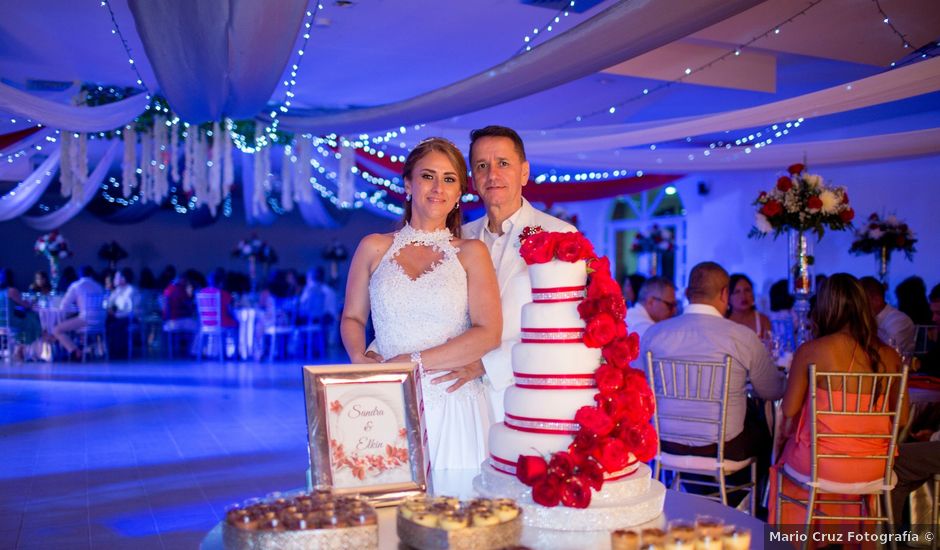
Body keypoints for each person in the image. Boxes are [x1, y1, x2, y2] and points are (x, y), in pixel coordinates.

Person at [342, 137, 501, 472]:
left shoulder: (471, 252)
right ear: (408, 183)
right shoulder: (373, 247)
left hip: (453, 400)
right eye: (428, 176)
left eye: (449, 179)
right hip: (387, 397)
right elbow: (353, 317)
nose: (437, 188)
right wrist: (358, 357)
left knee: (455, 514)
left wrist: (412, 363)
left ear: (459, 193)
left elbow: (488, 333)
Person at [769, 274, 909, 524]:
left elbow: (789, 409)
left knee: (781, 455)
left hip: (821, 466)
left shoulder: (812, 351)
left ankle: (800, 539)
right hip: (875, 468)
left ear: (824, 307)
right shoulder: (890, 356)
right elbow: (903, 418)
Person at [460, 125, 576, 421]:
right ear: (473, 179)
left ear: (524, 172)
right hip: (463, 398)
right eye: (482, 166)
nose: (492, 175)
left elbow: (564, 325)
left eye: (503, 164)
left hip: (525, 394)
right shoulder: (461, 238)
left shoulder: (560, 235)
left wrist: (487, 365)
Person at [641, 262, 784, 484]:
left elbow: (640, 386)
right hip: (723, 448)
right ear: (725, 294)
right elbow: (773, 390)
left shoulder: (654, 334)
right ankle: (748, 507)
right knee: (765, 432)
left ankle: (696, 494)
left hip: (666, 443)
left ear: (688, 294)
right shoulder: (741, 336)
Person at [52, 266, 105, 360]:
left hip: (86, 319)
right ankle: (81, 349)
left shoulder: (76, 285)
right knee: (71, 322)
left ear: (79, 275)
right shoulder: (99, 286)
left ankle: (75, 351)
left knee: (57, 329)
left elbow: (64, 306)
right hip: (101, 321)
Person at [860, 276, 915, 355]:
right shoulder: (868, 320)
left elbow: (889, 354)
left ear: (877, 300)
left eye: (861, 301)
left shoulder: (899, 321)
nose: (857, 305)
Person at [625, 276, 678, 341]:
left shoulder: (629, 314)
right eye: (670, 305)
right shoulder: (646, 329)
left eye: (675, 305)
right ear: (651, 302)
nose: (674, 310)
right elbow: (652, 351)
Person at [0, 268, 42, 350]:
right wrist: (32, 302)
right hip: (9, 322)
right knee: (32, 318)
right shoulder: (11, 291)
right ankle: (27, 349)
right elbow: (25, 305)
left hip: (1, 321)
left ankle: (21, 348)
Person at [726, 273, 771, 341]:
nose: (743, 296)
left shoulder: (763, 320)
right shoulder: (723, 321)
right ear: (728, 297)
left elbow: (770, 348)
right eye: (737, 292)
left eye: (747, 290)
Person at [105, 268, 137, 359]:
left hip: (131, 317)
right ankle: (111, 351)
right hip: (119, 316)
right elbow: (109, 304)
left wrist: (115, 314)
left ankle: (119, 352)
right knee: (106, 323)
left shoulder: (131, 290)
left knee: (115, 325)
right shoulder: (117, 290)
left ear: (124, 279)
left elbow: (129, 310)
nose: (114, 279)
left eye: (116, 277)